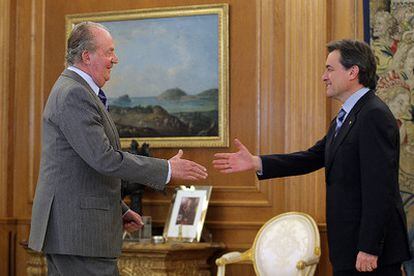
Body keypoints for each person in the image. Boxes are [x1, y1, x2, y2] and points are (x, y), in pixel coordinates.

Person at [213, 39, 410, 275]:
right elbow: (312, 157)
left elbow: (380, 188)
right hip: (349, 248)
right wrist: (257, 162)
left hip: (369, 252)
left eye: (329, 69)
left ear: (353, 72)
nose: (323, 77)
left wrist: (369, 247)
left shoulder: (373, 115)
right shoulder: (349, 116)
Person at [29, 21, 208, 275]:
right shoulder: (74, 94)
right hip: (79, 235)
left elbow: (82, 168)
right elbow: (104, 158)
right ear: (87, 56)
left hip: (79, 233)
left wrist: (119, 210)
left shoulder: (77, 91)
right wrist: (166, 169)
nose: (116, 59)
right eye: (109, 52)